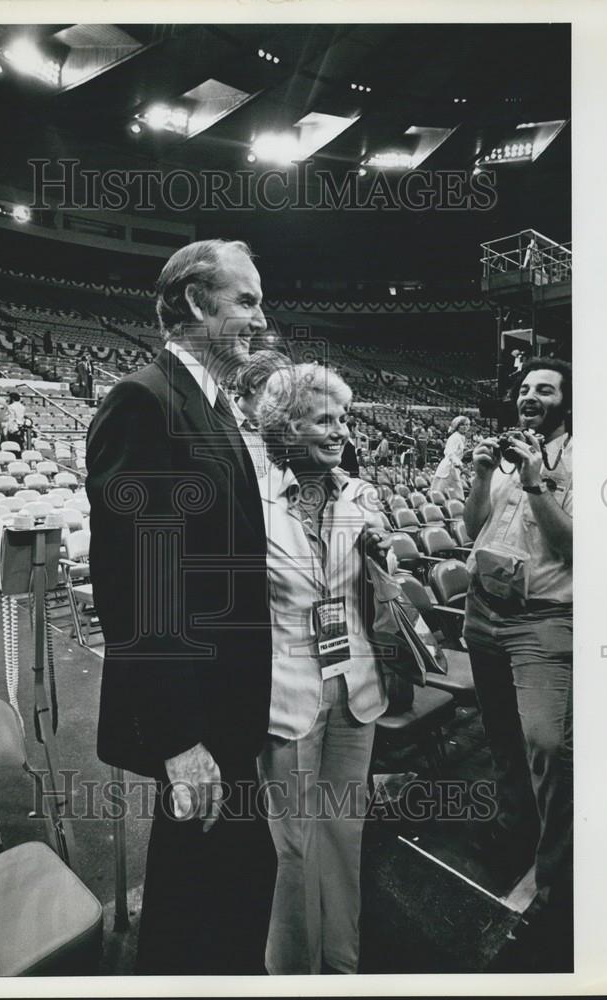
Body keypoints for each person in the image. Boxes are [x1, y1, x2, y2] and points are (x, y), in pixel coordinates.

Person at [86, 239, 276, 975]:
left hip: (226, 708)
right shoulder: (146, 401)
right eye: (247, 300)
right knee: (202, 908)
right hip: (196, 720)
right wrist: (178, 739)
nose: (262, 318)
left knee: (218, 894)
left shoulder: (211, 405)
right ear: (196, 302)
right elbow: (141, 586)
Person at [255, 363, 394, 975]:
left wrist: (381, 559)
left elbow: (369, 589)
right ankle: (293, 976)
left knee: (345, 835)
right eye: (322, 420)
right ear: (286, 429)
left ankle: (342, 967)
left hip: (356, 687)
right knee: (294, 851)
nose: (339, 431)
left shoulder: (358, 494)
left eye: (342, 419)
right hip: (286, 696)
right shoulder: (249, 501)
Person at [463, 357, 573, 969]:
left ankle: (555, 884)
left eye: (546, 390)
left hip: (542, 619)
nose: (530, 396)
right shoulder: (504, 455)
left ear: (564, 403)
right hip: (483, 611)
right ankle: (514, 829)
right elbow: (471, 527)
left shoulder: (578, 459)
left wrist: (537, 483)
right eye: (525, 388)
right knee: (501, 732)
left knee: (547, 745)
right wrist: (483, 476)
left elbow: (578, 547)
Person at [230, 349, 291, 478]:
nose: (286, 398)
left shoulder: (285, 428)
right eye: (279, 389)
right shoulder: (216, 421)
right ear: (254, 384)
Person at [430, 415, 469, 500]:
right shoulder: (455, 437)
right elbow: (449, 453)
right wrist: (460, 466)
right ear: (457, 426)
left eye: (467, 425)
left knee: (453, 494)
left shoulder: (461, 437)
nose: (465, 427)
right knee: (439, 494)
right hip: (449, 467)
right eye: (462, 425)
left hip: (453, 468)